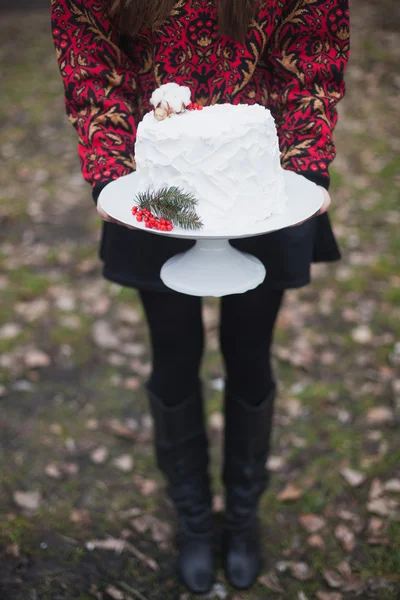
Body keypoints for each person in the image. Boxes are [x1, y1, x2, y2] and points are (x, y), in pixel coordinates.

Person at [51, 0, 349, 593]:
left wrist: (305, 168)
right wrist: (111, 168)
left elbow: (313, 50)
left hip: (262, 181)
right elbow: (89, 55)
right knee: (174, 350)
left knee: (249, 349)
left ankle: (241, 519)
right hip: (159, 189)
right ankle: (192, 519)